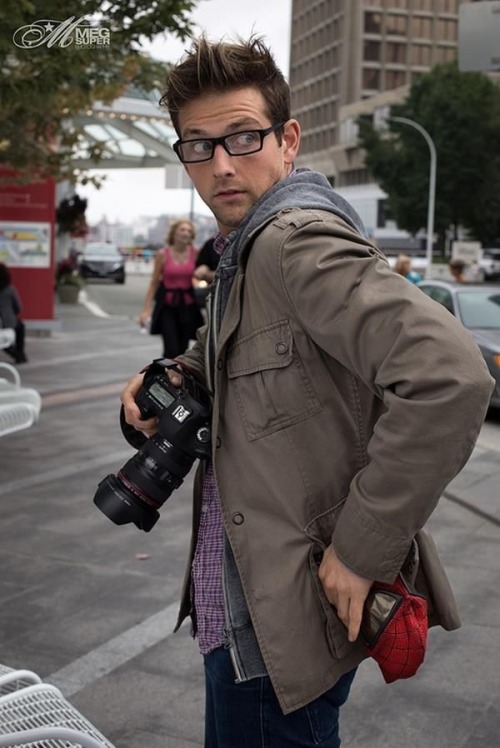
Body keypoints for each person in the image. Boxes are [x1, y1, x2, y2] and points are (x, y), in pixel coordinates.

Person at [120, 37, 494, 748]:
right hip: (246, 600)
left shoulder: (295, 243)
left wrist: (360, 550)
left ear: (288, 139)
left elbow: (452, 375)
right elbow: (230, 359)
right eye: (198, 146)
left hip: (279, 619)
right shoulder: (247, 251)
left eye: (243, 137)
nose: (221, 165)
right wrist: (162, 381)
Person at [139, 219, 204, 357]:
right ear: (174, 233)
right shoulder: (163, 254)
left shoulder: (196, 252)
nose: (186, 233)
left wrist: (203, 274)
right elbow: (154, 282)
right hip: (167, 306)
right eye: (182, 230)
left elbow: (204, 272)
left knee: (183, 349)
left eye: (189, 231)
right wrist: (146, 309)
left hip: (188, 306)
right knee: (171, 349)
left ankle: (178, 377)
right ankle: (166, 375)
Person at [0, 263, 27, 364]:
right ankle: (20, 354)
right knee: (21, 327)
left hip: (1, 323)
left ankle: (16, 354)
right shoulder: (10, 289)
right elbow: (18, 307)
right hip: (9, 321)